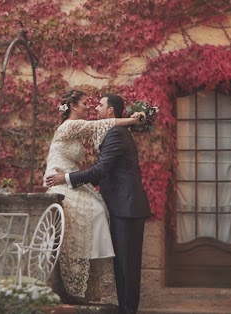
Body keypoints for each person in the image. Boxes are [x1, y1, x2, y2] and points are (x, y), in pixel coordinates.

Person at [46, 92, 151, 314]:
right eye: (88, 104)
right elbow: (102, 173)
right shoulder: (101, 131)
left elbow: (102, 169)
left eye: (100, 105)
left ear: (110, 110)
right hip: (123, 205)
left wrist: (68, 178)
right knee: (124, 263)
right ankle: (125, 307)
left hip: (127, 207)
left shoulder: (115, 133)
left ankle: (128, 309)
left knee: (127, 265)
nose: (95, 108)